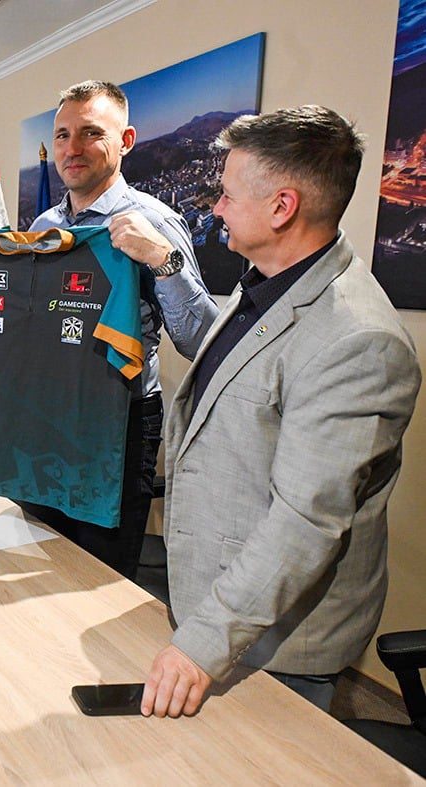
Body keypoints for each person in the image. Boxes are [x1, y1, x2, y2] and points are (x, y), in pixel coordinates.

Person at [141, 105, 420, 718]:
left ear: (281, 207)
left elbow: (304, 522)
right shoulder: (265, 286)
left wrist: (201, 645)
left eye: (227, 194)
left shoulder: (357, 341)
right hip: (215, 606)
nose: (216, 206)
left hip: (274, 644)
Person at [0, 80, 218, 578]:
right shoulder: (42, 225)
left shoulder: (155, 222)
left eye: (90, 133)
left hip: (115, 423)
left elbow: (203, 342)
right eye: (62, 135)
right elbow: (16, 322)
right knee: (33, 553)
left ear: (125, 141)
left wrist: (162, 261)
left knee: (100, 576)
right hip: (43, 415)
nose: (72, 148)